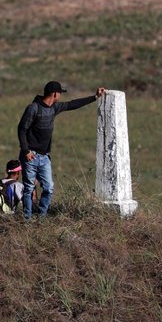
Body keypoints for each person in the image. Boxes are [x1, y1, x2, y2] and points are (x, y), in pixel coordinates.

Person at [17, 81, 106, 219]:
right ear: (54, 94)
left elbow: (72, 104)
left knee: (48, 188)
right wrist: (26, 151)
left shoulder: (54, 107)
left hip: (45, 157)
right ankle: (27, 220)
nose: (60, 96)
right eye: (59, 93)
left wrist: (94, 97)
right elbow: (22, 129)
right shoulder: (33, 108)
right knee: (29, 188)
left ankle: (41, 217)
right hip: (31, 156)